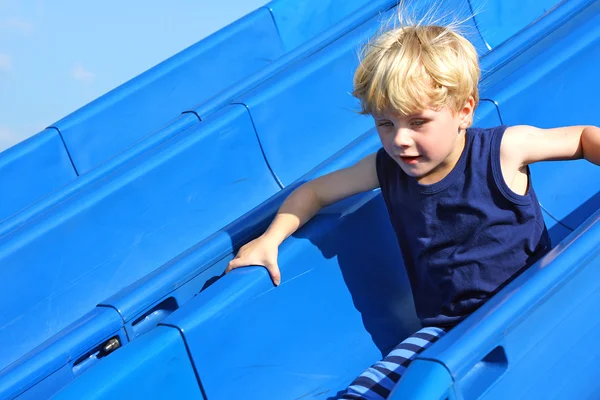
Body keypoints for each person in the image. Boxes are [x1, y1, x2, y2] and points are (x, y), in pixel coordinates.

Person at [224, 21, 600, 400]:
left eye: (417, 122)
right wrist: (270, 240)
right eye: (385, 124)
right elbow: (315, 192)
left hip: (531, 304)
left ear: (464, 110)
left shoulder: (502, 150)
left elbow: (584, 139)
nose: (400, 139)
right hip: (446, 331)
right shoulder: (385, 169)